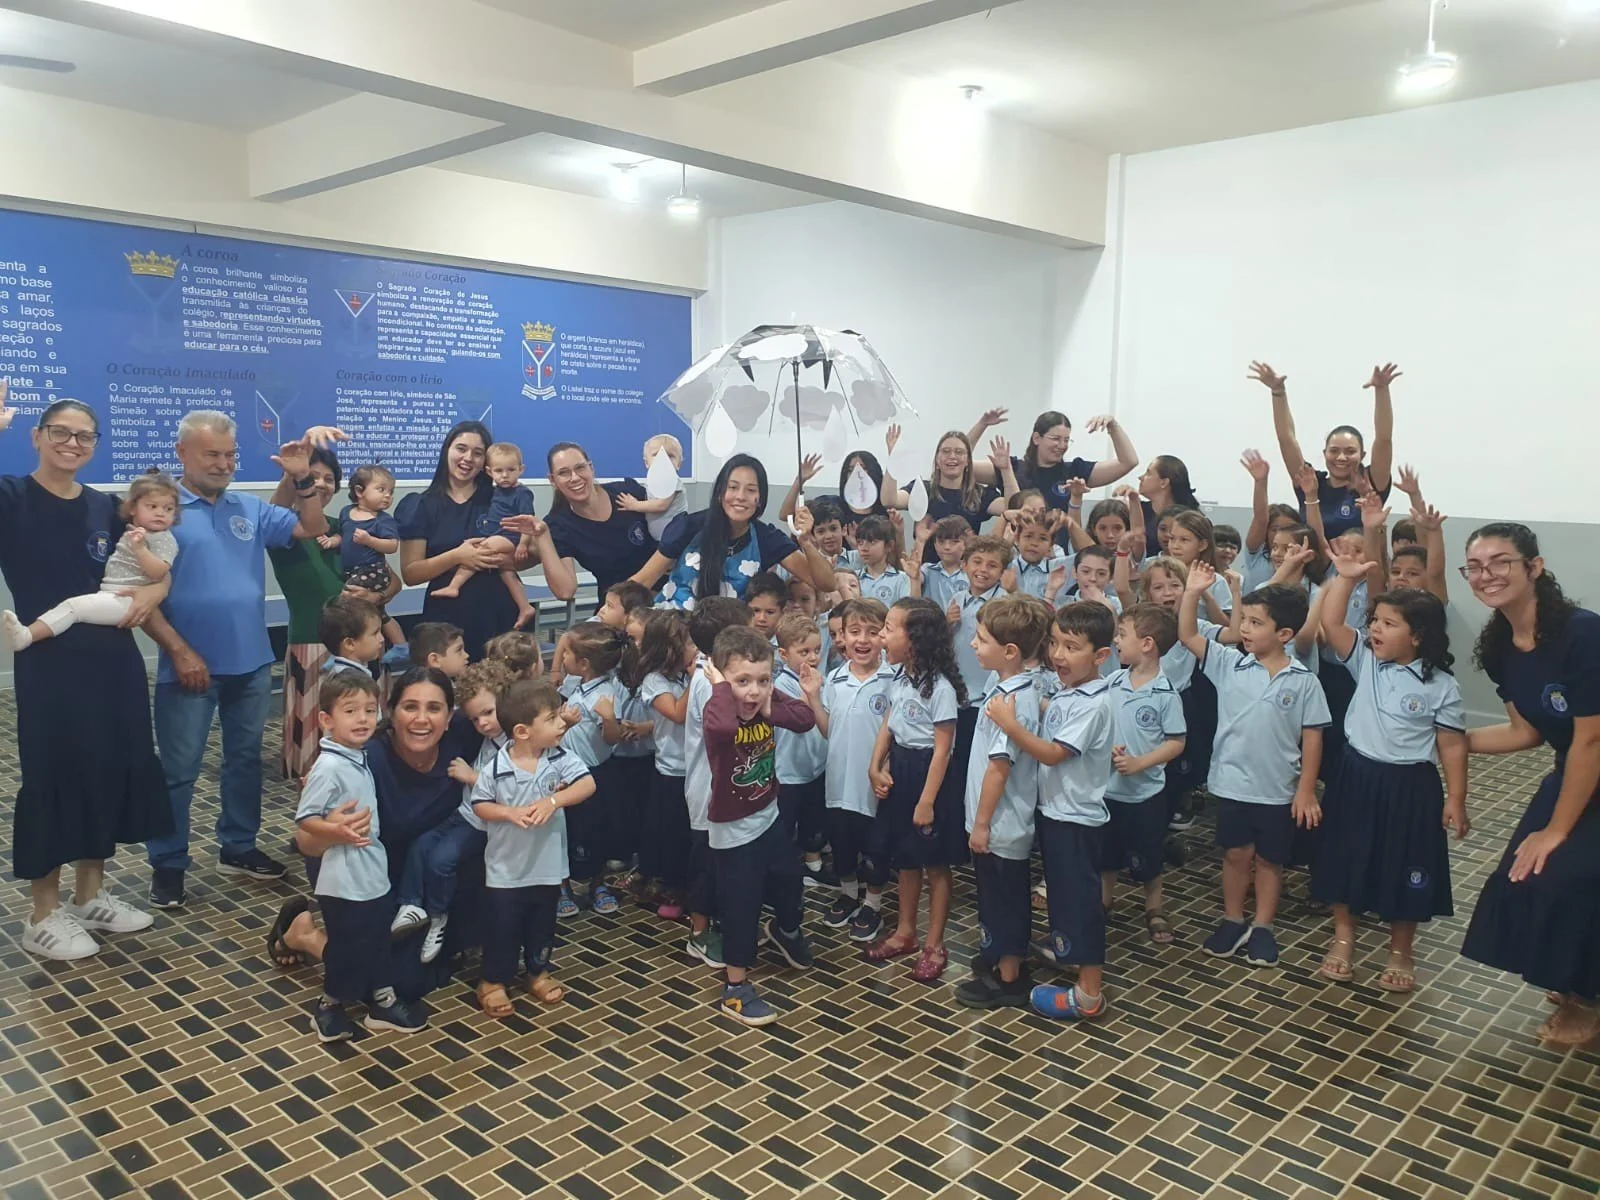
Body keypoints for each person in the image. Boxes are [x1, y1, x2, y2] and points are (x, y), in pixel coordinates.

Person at [140, 411, 343, 910]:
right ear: (182, 453)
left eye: (230, 455)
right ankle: (168, 864)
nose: (224, 463)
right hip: (186, 666)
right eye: (212, 454)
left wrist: (300, 477)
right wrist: (180, 651)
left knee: (244, 762)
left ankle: (238, 845)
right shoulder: (161, 512)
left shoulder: (247, 510)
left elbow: (309, 526)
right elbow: (140, 595)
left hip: (251, 663)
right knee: (179, 771)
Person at [0, 390, 170, 961]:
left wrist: (155, 591)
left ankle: (90, 893)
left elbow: (156, 565)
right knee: (54, 772)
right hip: (49, 663)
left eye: (84, 436)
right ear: (37, 436)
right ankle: (43, 912)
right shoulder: (12, 497)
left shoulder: (107, 507)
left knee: (108, 765)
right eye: (60, 432)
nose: (72, 444)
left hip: (113, 661)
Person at [1459, 524, 1600, 1047]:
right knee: (1521, 875)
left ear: (1534, 568)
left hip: (1590, 759)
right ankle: (1576, 979)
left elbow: (1591, 740)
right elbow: (1527, 731)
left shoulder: (1583, 634)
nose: (1486, 575)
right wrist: (1450, 743)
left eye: (1500, 562)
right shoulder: (1500, 647)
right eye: (1474, 566)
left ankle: (1584, 999)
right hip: (1577, 765)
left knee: (1563, 874)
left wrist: (1557, 829)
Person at [272, 668, 486, 1001]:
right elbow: (305, 842)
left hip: (422, 874)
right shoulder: (362, 760)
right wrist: (335, 829)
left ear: (449, 717)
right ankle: (305, 935)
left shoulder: (462, 742)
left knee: (446, 955)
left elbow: (519, 706)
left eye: (434, 708)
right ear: (391, 712)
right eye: (410, 707)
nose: (421, 719)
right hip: (363, 873)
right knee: (399, 983)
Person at [1313, 559, 1467, 993]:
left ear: (1418, 636)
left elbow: (1452, 745)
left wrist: (1456, 797)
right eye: (1375, 621)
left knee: (1407, 862)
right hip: (1357, 776)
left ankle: (1401, 949)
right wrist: (1346, 578)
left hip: (1411, 786)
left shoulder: (1441, 686)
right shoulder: (1366, 662)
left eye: (1389, 624)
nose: (1376, 630)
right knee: (1347, 855)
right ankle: (1344, 937)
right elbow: (1330, 619)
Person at [1178, 568, 1330, 968]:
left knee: (1269, 860)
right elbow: (1188, 636)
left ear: (1284, 635)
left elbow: (1313, 737)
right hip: (1231, 784)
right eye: (1244, 620)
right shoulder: (1229, 663)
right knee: (1235, 854)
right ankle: (1232, 918)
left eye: (1255, 623)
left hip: (1278, 788)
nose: (1244, 629)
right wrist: (1192, 592)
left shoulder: (1303, 680)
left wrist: (1305, 789)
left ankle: (1263, 925)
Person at [993, 602, 1116, 1021]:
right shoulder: (1072, 693)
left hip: (1075, 818)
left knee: (1080, 903)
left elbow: (1050, 754)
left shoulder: (1093, 703)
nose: (1058, 655)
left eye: (1072, 647)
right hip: (1057, 812)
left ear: (1100, 656)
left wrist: (1011, 726)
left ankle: (1088, 995)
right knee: (1065, 899)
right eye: (1055, 644)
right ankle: (1070, 956)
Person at [296, 670, 428, 1042]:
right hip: (344, 878)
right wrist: (336, 831)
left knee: (375, 937)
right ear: (326, 719)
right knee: (349, 944)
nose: (362, 719)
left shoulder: (356, 757)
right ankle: (328, 1007)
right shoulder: (330, 766)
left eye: (370, 711)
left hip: (369, 871)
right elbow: (306, 818)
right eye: (351, 711)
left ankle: (382, 1000)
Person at [702, 625, 819, 1026]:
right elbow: (720, 730)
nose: (752, 692)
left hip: (768, 815)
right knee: (741, 908)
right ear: (720, 678)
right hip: (733, 831)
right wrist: (720, 688)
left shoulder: (764, 701)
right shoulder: (719, 709)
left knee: (790, 879)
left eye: (762, 680)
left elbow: (804, 720)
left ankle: (785, 931)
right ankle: (735, 988)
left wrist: (772, 703)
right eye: (741, 682)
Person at [471, 679, 596, 1018]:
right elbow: (480, 805)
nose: (562, 724)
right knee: (503, 927)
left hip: (548, 867)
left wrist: (554, 801)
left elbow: (587, 784)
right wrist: (507, 813)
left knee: (542, 925)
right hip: (506, 871)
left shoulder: (559, 758)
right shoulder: (496, 768)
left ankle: (538, 971)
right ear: (523, 731)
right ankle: (493, 981)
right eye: (553, 718)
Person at [955, 595, 1051, 1009]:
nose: (973, 646)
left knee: (1006, 899)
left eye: (981, 639)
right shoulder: (1004, 685)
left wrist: (981, 823)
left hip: (1001, 823)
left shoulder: (1014, 701)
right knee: (991, 895)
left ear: (1010, 651)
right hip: (990, 819)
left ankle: (1010, 975)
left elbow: (1000, 768)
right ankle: (996, 955)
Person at [865, 598, 968, 982]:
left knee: (934, 864)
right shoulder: (899, 678)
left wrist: (927, 801)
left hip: (930, 777)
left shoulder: (939, 688)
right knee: (906, 859)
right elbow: (889, 726)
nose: (882, 636)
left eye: (890, 629)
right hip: (902, 769)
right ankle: (905, 931)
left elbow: (942, 750)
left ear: (916, 639)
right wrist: (875, 766)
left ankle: (935, 944)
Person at [389, 659, 515, 962]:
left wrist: (472, 777)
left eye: (488, 713)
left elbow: (514, 787)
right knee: (421, 845)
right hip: (463, 813)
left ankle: (437, 916)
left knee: (442, 861)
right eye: (475, 719)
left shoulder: (515, 742)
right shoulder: (489, 738)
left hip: (481, 824)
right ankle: (410, 905)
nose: (483, 723)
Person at [397, 422, 545, 660]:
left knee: (506, 691)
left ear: (486, 464)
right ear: (447, 450)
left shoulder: (504, 497)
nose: (468, 458)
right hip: (447, 622)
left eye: (477, 453)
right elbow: (411, 574)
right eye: (461, 448)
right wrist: (457, 556)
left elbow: (533, 556)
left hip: (501, 616)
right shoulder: (421, 505)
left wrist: (501, 559)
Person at [267, 448, 368, 781]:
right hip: (309, 648)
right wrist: (295, 473)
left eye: (328, 478)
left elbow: (386, 572)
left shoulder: (345, 528)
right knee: (309, 748)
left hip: (360, 647)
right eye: (313, 477)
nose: (321, 484)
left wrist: (380, 591)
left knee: (357, 737)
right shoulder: (285, 529)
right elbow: (273, 512)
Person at [3, 470, 180, 651]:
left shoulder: (162, 539)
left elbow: (160, 571)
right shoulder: (131, 529)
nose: (161, 513)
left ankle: (28, 635)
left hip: (125, 600)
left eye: (168, 509)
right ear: (133, 508)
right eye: (152, 506)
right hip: (109, 594)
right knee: (74, 608)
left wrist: (143, 555)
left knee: (73, 608)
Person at [804, 598, 894, 943]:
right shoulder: (835, 679)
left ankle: (872, 902)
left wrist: (885, 768)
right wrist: (813, 697)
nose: (862, 640)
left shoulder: (891, 679)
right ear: (841, 636)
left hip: (872, 784)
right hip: (839, 781)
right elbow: (829, 730)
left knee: (875, 847)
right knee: (842, 843)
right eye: (854, 632)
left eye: (873, 632)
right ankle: (847, 893)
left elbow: (895, 734)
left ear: (884, 636)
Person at [632, 454, 837, 603]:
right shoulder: (689, 526)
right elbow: (643, 579)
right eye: (733, 487)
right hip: (673, 635)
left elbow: (826, 584)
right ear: (720, 492)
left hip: (730, 645)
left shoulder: (767, 538)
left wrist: (806, 542)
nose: (740, 496)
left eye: (750, 490)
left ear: (760, 500)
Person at [1101, 604, 1187, 945]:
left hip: (1145, 795)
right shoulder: (1113, 681)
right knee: (1106, 854)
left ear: (1147, 643)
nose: (1116, 641)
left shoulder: (1166, 694)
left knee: (1148, 854)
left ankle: (1154, 905)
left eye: (1123, 635)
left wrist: (1141, 763)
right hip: (1109, 791)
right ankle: (1104, 900)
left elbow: (1177, 742)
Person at [1251, 360, 1398, 541]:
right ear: (1325, 453)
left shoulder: (1371, 483)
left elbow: (1384, 440)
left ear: (1363, 455)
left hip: (1361, 566)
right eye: (1334, 451)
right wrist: (1277, 392)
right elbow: (1286, 439)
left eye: (1350, 451)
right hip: (1314, 567)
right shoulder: (1310, 483)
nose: (1341, 457)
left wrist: (1381, 390)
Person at [682, 598, 753, 968]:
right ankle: (698, 933)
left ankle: (721, 923)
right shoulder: (711, 683)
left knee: (723, 864)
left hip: (728, 790)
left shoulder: (717, 675)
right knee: (706, 866)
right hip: (708, 791)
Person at [433, 442, 537, 630]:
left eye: (511, 470)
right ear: (489, 472)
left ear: (521, 470)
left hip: (509, 535)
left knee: (477, 552)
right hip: (496, 533)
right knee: (506, 573)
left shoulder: (522, 493)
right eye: (499, 471)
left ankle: (454, 585)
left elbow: (528, 523)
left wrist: (522, 544)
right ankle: (525, 606)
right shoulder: (496, 491)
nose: (505, 475)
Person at [535, 442, 658, 600]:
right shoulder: (558, 525)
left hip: (664, 596)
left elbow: (672, 533)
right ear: (552, 480)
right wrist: (541, 536)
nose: (575, 478)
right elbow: (565, 592)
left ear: (591, 468)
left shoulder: (628, 492)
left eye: (580, 468)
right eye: (564, 473)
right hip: (615, 607)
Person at [635, 610, 697, 918]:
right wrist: (697, 678)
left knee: (691, 834)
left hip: (697, 768)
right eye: (689, 642)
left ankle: (691, 885)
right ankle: (671, 886)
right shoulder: (654, 680)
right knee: (671, 833)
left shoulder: (689, 674)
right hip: (671, 770)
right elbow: (676, 713)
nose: (695, 648)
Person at [966, 408, 1139, 513]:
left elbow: (1128, 462)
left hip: (1058, 556)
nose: (1062, 445)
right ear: (1036, 438)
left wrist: (1113, 426)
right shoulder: (1011, 468)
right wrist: (982, 424)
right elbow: (962, 464)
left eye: (1066, 440)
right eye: (1056, 438)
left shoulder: (1074, 472)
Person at [879, 426, 1016, 549]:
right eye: (946, 451)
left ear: (968, 461)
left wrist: (1006, 470)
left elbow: (1012, 508)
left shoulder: (978, 494)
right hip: (926, 571)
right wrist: (893, 459)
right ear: (937, 460)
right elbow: (890, 500)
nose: (952, 456)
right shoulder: (923, 489)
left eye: (959, 452)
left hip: (965, 571)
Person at [773, 614, 828, 884]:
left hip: (815, 766)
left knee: (814, 820)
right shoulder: (780, 686)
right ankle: (781, 871)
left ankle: (813, 861)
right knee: (785, 824)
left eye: (817, 650)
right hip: (787, 771)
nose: (812, 657)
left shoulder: (821, 679)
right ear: (784, 654)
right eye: (803, 651)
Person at [616, 433, 688, 542]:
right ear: (646, 463)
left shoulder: (673, 480)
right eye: (656, 455)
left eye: (671, 456)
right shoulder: (651, 482)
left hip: (675, 536)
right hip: (659, 538)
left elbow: (661, 505)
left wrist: (634, 505)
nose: (664, 459)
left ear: (679, 464)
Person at [851, 516, 910, 607]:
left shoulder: (901, 579)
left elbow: (907, 611)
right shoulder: (853, 579)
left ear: (889, 546)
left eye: (872, 542)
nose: (864, 548)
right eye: (860, 542)